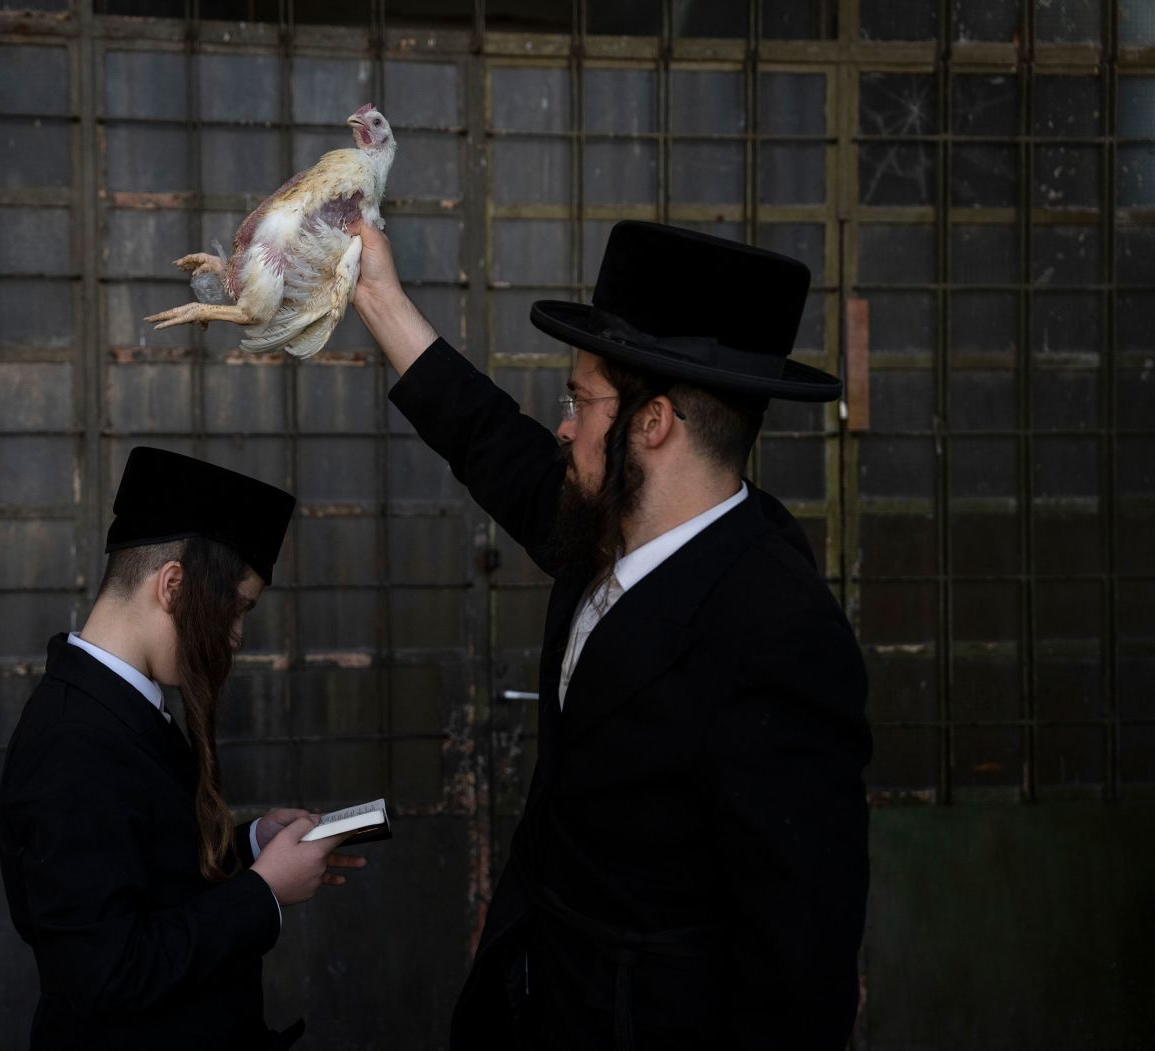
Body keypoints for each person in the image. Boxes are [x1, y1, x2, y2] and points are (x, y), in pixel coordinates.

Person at [350, 218, 872, 1049]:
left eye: (580, 401)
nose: (563, 426)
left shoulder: (776, 630)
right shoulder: (606, 521)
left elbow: (800, 962)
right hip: (542, 997)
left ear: (652, 422)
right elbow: (488, 437)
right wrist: (376, 293)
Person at [0, 446, 363, 1050]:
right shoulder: (73, 743)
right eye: (237, 609)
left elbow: (146, 866)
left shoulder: (121, 706)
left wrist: (250, 847)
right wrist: (263, 892)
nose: (238, 637)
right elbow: (106, 973)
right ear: (173, 586)